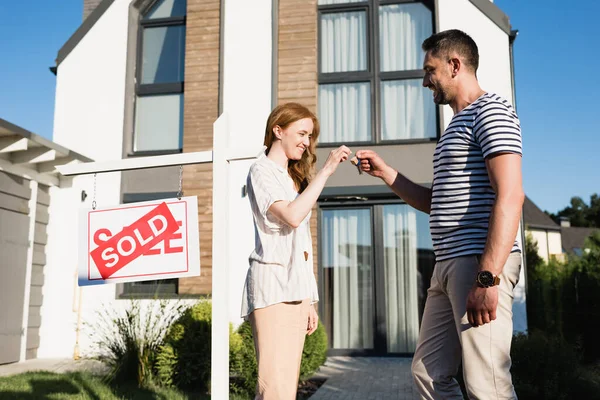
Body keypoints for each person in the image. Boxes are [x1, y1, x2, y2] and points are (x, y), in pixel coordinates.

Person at [356, 29, 524, 399]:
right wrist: (386, 172)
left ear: (454, 65)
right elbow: (436, 201)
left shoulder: (490, 111)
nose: (423, 80)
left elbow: (511, 195)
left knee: (487, 385)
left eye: (429, 70)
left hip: (476, 263)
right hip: (446, 264)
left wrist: (487, 279)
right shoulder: (453, 130)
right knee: (428, 373)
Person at [241, 102, 351, 399]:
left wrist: (309, 300)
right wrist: (326, 172)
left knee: (286, 387)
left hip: (294, 292)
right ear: (278, 130)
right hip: (273, 290)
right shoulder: (261, 171)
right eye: (302, 133)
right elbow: (291, 215)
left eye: (310, 136)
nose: (306, 142)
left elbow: (300, 245)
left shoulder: (292, 177)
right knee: (274, 386)